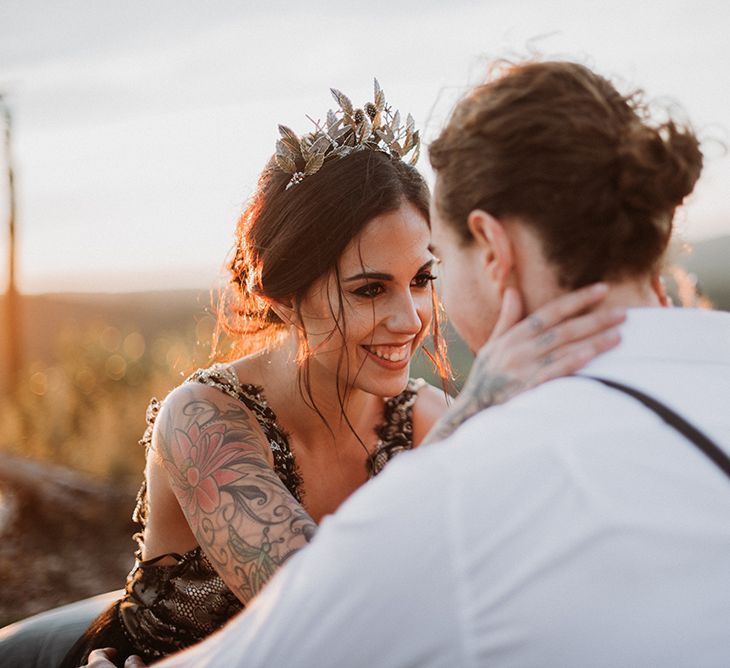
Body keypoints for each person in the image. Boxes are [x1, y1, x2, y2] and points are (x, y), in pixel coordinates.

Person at [86, 60, 730, 668]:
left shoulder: (426, 419)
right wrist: (480, 414)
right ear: (283, 293)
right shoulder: (204, 420)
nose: (411, 318)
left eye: (422, 279)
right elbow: (321, 617)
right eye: (370, 289)